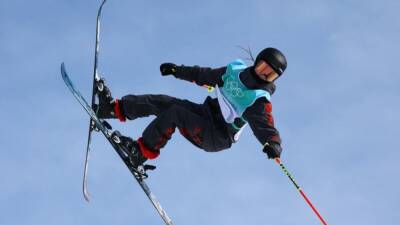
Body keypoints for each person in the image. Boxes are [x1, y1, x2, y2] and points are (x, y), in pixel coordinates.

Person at [96, 47, 287, 167]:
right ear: (257, 62)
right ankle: (113, 109)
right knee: (164, 102)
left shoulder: (258, 100)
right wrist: (177, 70)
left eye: (270, 75)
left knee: (175, 114)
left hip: (216, 135)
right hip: (205, 115)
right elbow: (204, 75)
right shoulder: (234, 72)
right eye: (263, 68)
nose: (264, 76)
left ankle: (140, 153)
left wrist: (273, 145)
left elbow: (266, 126)